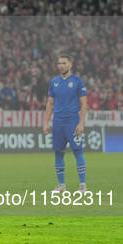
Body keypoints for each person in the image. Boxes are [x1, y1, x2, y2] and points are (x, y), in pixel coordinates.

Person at [43, 54, 88, 193]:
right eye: (59, 63)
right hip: (58, 123)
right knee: (58, 153)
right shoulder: (54, 82)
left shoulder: (77, 81)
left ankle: (82, 186)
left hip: (72, 122)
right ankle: (61, 186)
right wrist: (46, 123)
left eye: (63, 63)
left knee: (77, 152)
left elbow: (84, 103)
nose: (60, 65)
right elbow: (50, 103)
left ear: (70, 64)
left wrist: (81, 123)